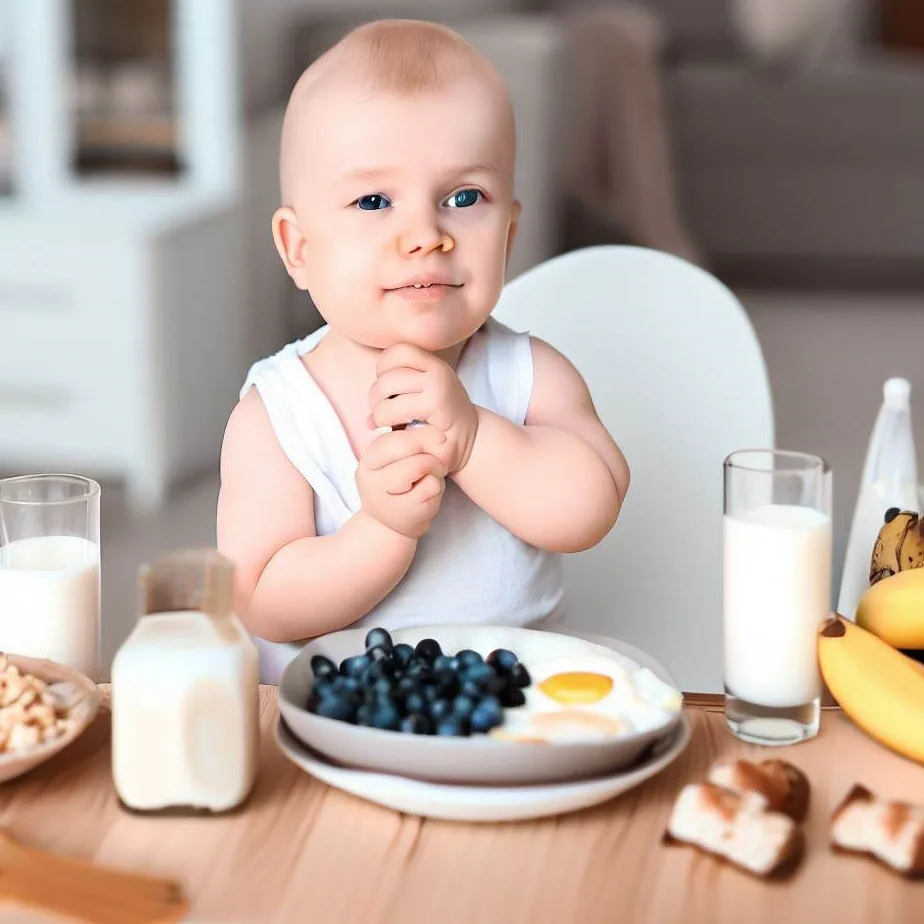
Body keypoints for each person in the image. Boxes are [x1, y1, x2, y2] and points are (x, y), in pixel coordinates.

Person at [216, 19, 630, 683]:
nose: (424, 235)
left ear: (508, 233)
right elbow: (259, 597)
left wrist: (473, 439)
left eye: (464, 197)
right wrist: (380, 531)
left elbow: (594, 504)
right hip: (341, 723)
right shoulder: (277, 414)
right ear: (299, 248)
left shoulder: (528, 375)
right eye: (374, 200)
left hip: (513, 710)